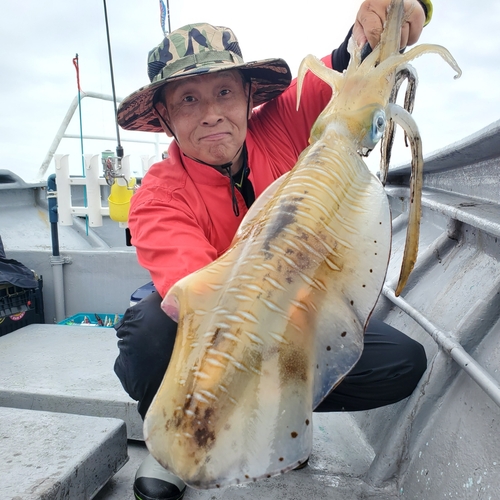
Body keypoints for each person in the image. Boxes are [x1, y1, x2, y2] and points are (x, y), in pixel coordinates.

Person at [114, 1, 432, 499]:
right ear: (166, 117)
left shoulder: (283, 123)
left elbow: (348, 68)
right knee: (151, 328)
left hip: (297, 314)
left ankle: (270, 423)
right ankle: (173, 447)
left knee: (402, 362)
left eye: (224, 92)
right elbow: (201, 297)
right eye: (189, 100)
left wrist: (388, 16)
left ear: (247, 97)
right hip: (212, 334)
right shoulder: (158, 195)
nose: (213, 113)